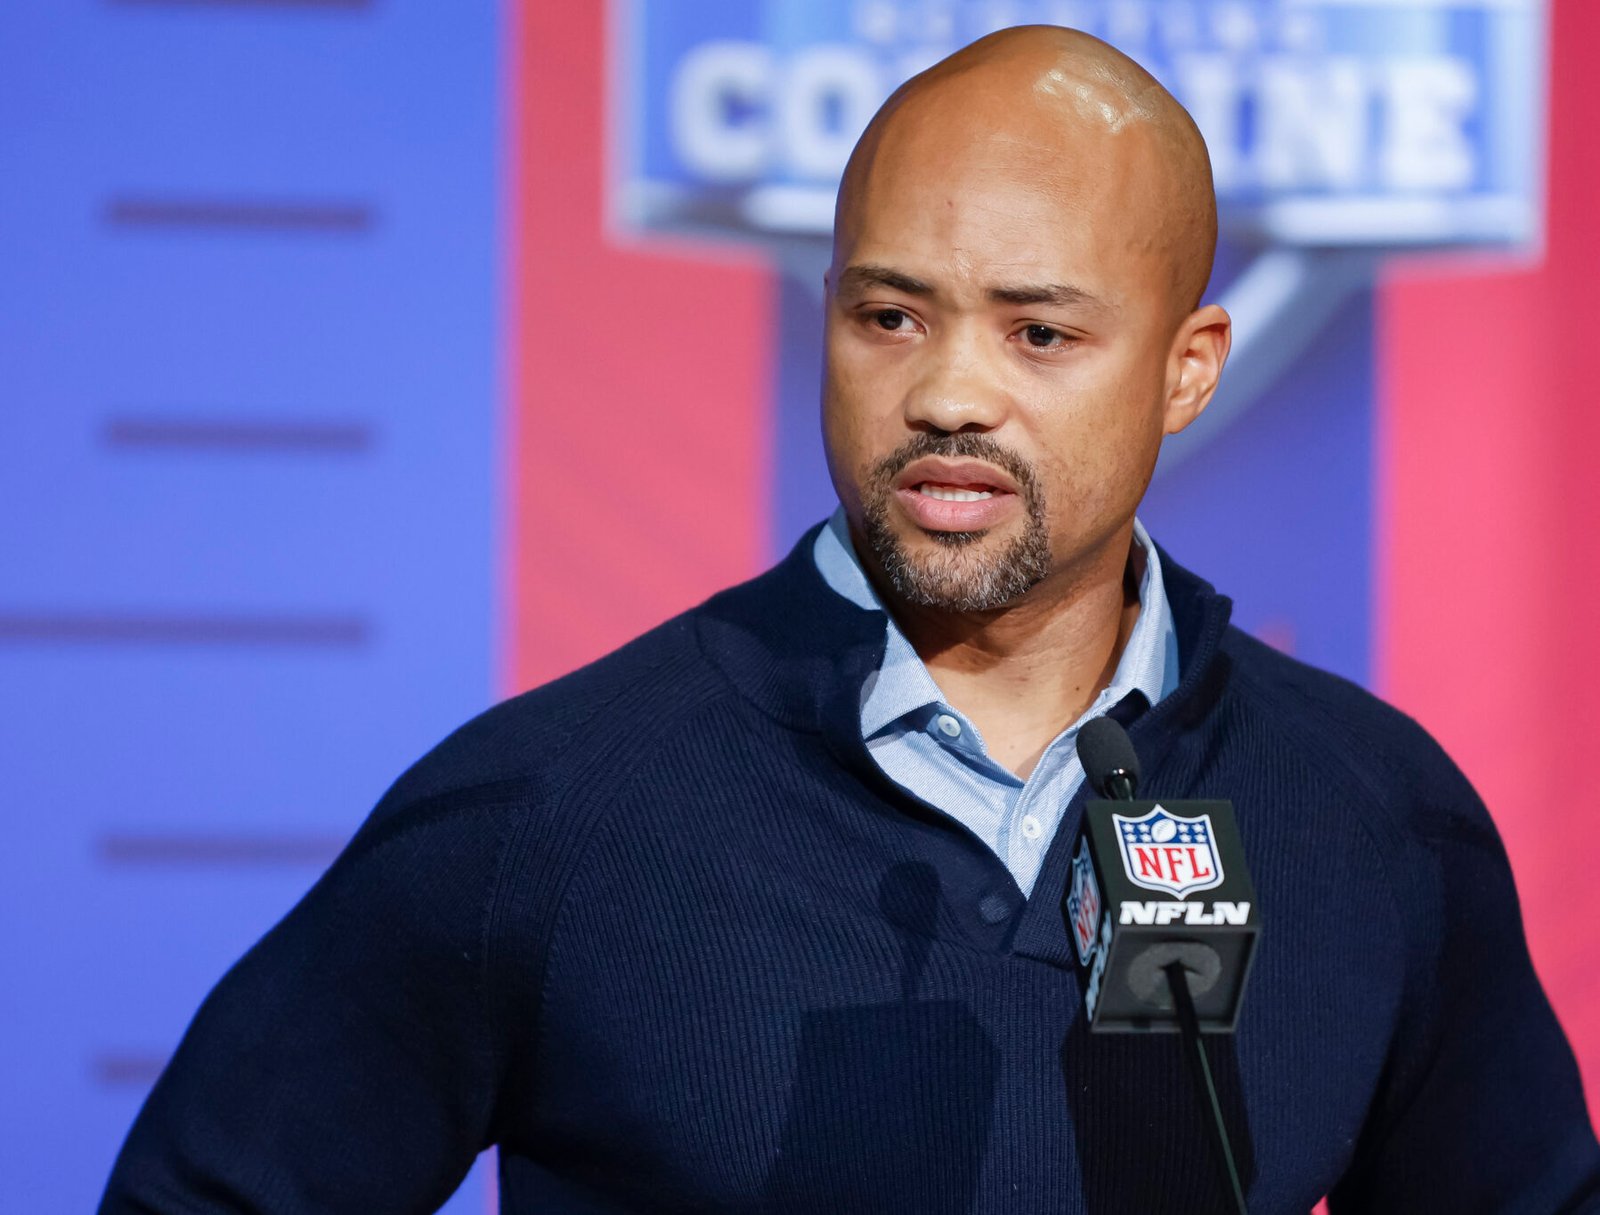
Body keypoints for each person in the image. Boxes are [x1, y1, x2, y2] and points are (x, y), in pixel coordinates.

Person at [101, 25, 1599, 1215]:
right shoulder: (545, 812)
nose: (947, 393)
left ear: (1188, 369)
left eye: (1039, 332)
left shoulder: (1376, 819)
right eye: (890, 316)